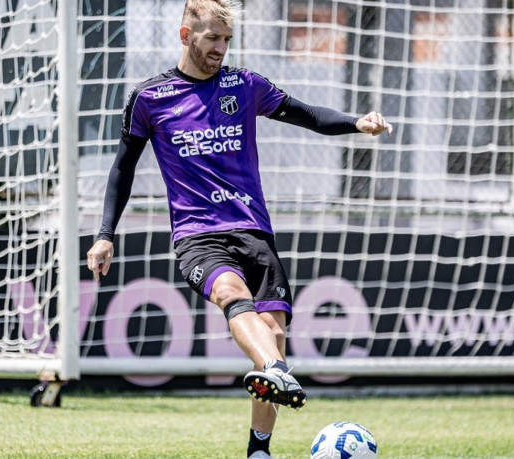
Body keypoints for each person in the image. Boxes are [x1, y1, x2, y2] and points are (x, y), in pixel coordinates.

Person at [86, 0, 393, 457]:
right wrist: (105, 232)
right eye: (212, 38)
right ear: (186, 36)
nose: (221, 49)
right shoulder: (150, 97)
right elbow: (122, 168)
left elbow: (305, 114)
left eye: (227, 40)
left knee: (274, 328)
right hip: (197, 234)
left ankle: (259, 450)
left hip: (253, 229)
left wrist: (355, 122)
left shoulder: (244, 85)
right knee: (232, 294)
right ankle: (273, 366)